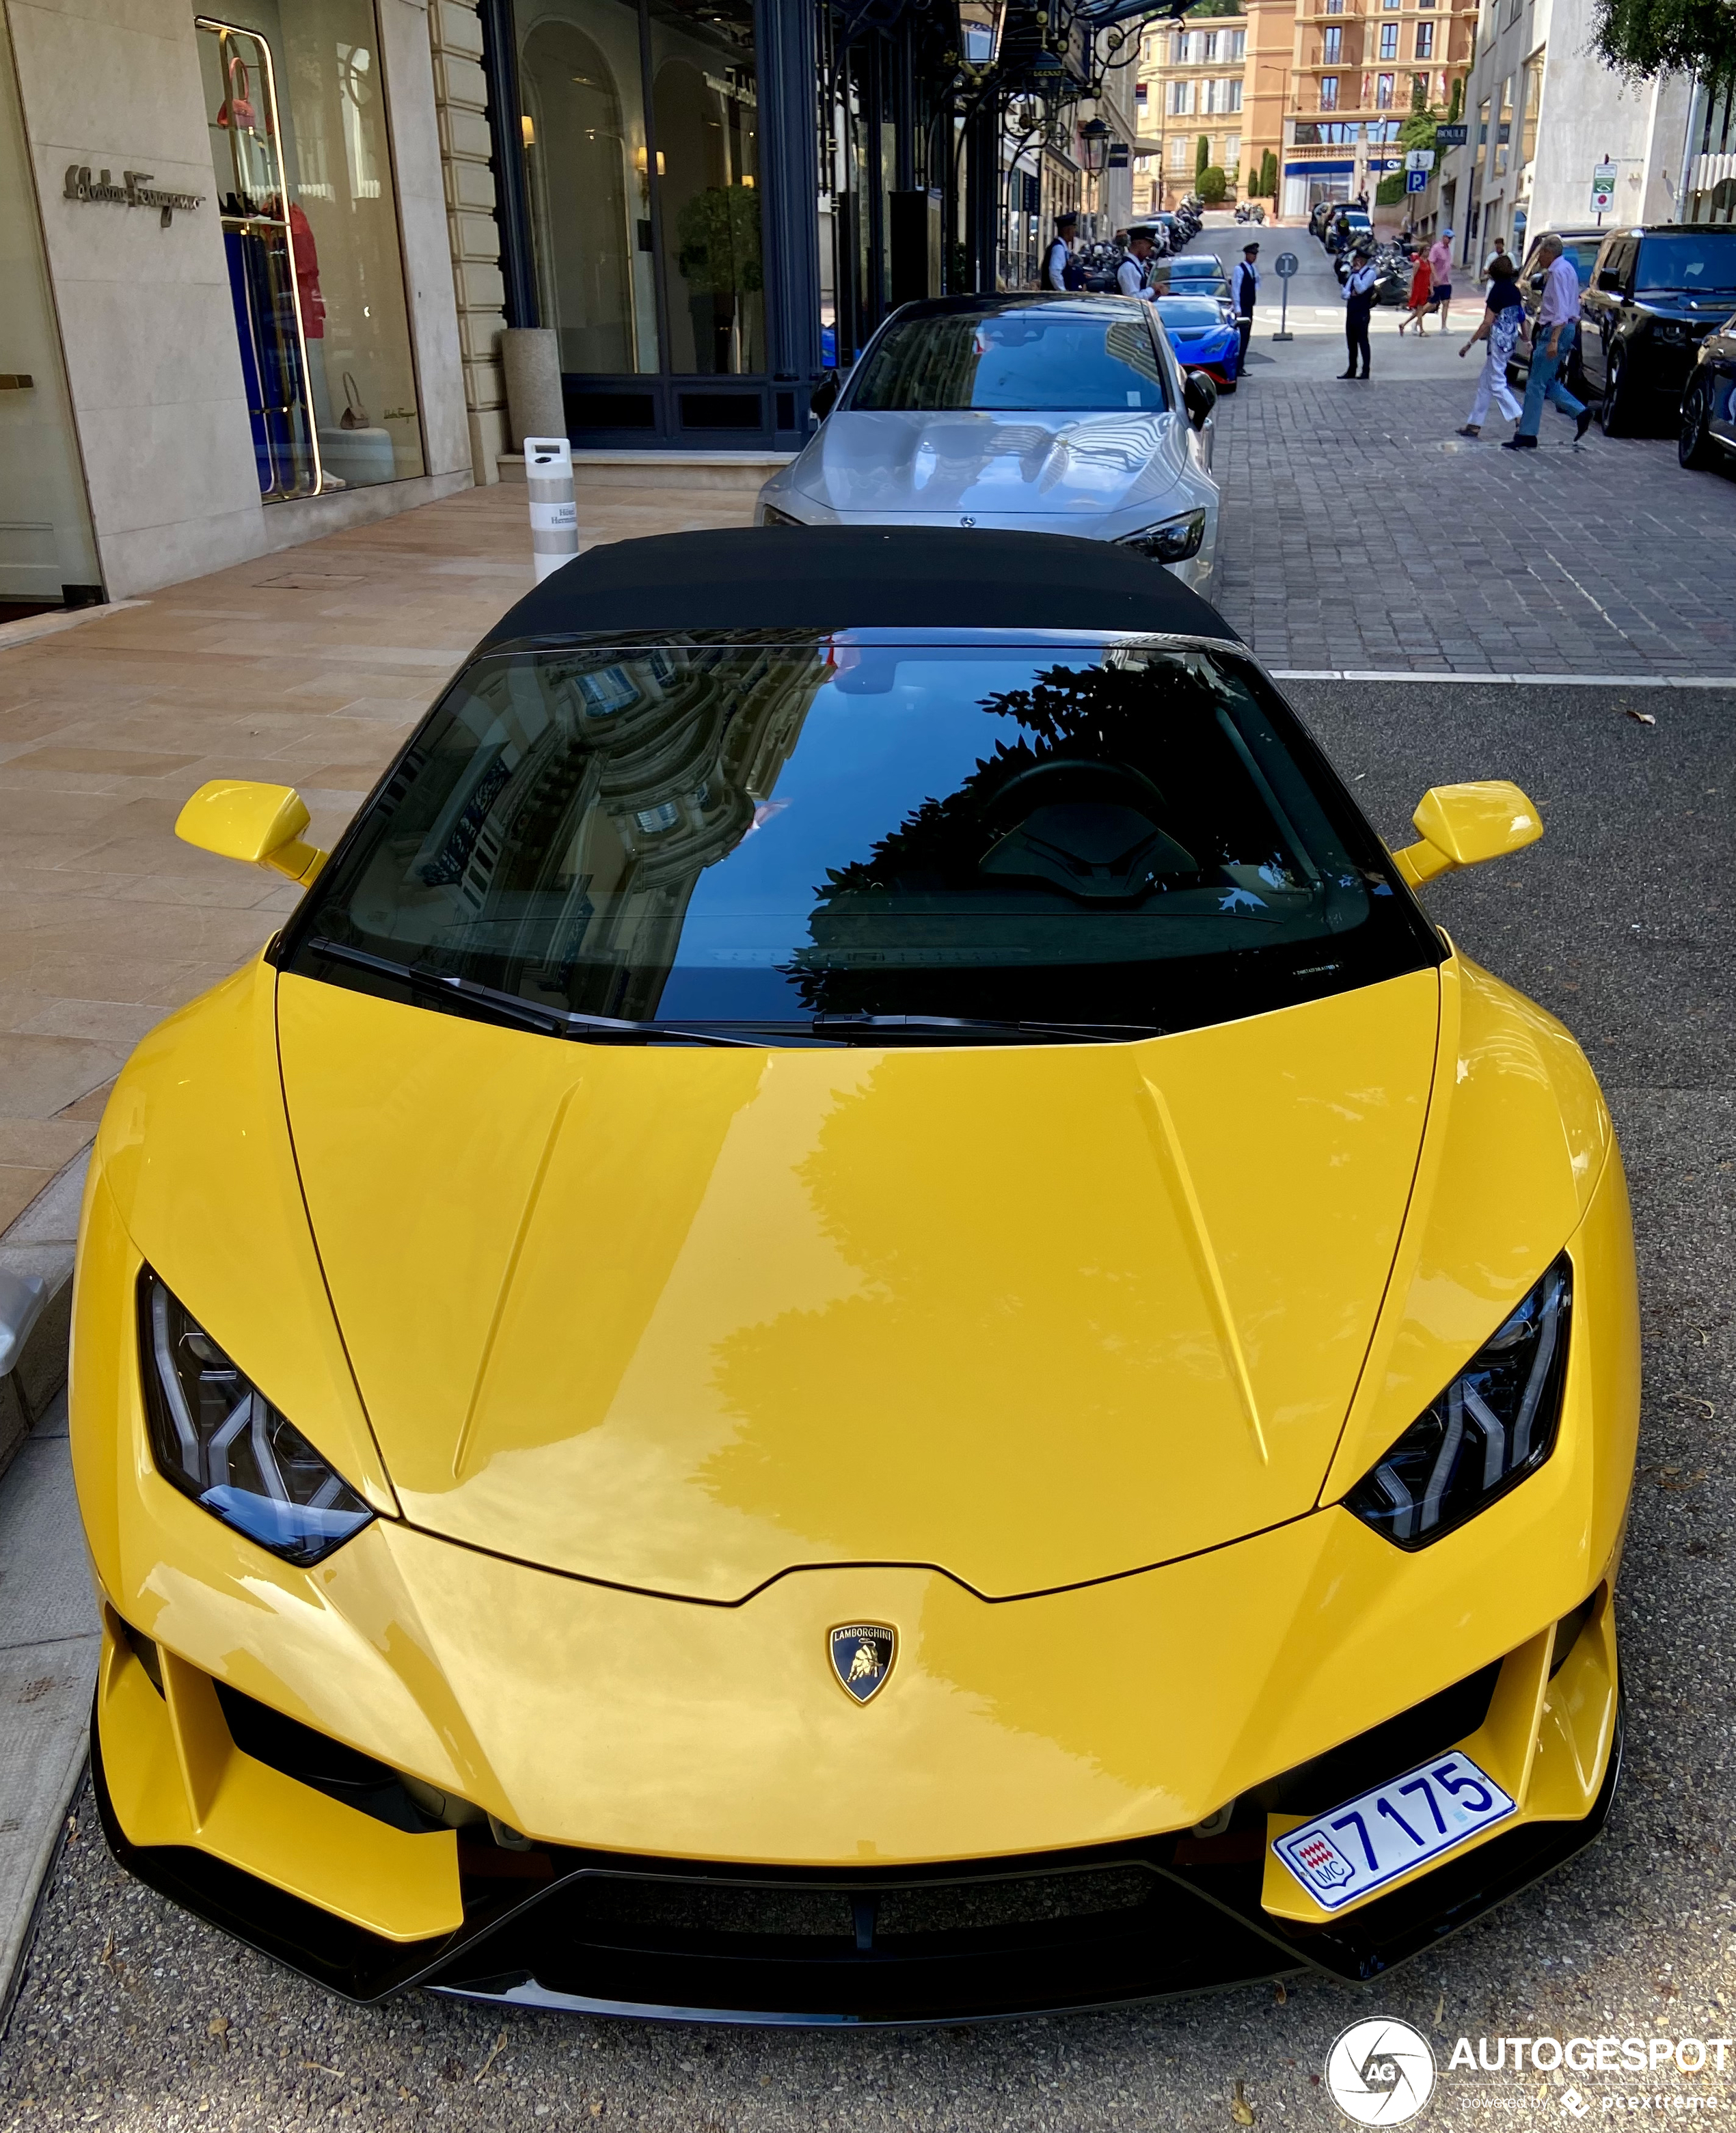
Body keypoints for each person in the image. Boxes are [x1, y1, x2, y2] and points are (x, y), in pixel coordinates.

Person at [1504, 232, 1597, 450]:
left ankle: (1527, 434)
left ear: (1548, 252)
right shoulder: (1567, 269)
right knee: (1546, 380)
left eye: (1541, 254)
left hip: (1554, 331)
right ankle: (1580, 413)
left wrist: (1554, 339)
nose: (1539, 260)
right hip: (1562, 330)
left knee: (1536, 383)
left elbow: (1561, 311)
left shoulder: (1556, 272)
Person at [1455, 253, 1528, 435]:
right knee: (1486, 382)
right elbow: (1522, 318)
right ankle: (1475, 423)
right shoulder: (1514, 290)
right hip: (1510, 341)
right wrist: (1527, 340)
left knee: (1496, 382)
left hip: (1497, 341)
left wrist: (1469, 344)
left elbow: (1487, 322)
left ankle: (1519, 416)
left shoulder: (1496, 291)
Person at [1340, 239, 1377, 379]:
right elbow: (1344, 293)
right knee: (1351, 342)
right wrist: (1351, 294)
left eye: (1357, 259)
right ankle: (1351, 370)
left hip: (1362, 312)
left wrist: (1356, 276)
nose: (1355, 262)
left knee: (1363, 341)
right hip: (1351, 311)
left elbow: (1361, 289)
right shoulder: (1353, 274)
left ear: (1362, 261)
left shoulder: (1370, 273)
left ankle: (1366, 371)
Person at [1233, 241, 1260, 370]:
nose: (1254, 257)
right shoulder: (1239, 269)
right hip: (1242, 307)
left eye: (1255, 255)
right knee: (1242, 337)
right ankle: (1238, 366)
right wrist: (1237, 308)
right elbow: (1236, 289)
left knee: (1247, 336)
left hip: (1249, 306)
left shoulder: (1253, 269)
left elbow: (1257, 284)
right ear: (1246, 255)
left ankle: (1241, 365)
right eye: (1252, 254)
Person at [1116, 227, 1159, 299]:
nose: (1149, 253)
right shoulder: (1128, 267)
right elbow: (1132, 298)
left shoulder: (1136, 266)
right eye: (1148, 248)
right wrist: (1152, 289)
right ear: (1139, 244)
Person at [1398, 245, 1433, 334]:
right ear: (1423, 251)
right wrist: (1410, 290)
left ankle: (1404, 324)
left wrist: (1431, 288)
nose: (1428, 253)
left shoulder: (1428, 263)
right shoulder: (1418, 262)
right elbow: (1413, 277)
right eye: (1427, 250)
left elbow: (1429, 276)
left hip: (1425, 288)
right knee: (1420, 309)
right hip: (1418, 288)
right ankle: (1421, 330)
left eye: (1429, 251)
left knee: (1419, 311)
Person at [1426, 229, 1454, 331]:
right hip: (1437, 280)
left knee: (1446, 303)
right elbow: (1431, 263)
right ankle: (1418, 320)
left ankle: (1444, 326)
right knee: (1432, 304)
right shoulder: (1437, 248)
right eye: (1448, 238)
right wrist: (1435, 277)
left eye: (1451, 238)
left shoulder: (1448, 249)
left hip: (1446, 281)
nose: (1449, 240)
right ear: (1443, 237)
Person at [1044, 213, 1079, 293]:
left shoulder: (1062, 248)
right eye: (1073, 229)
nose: (1074, 232)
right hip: (1055, 298)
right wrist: (1062, 291)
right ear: (1067, 230)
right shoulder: (1058, 248)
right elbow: (1055, 273)